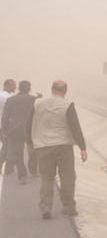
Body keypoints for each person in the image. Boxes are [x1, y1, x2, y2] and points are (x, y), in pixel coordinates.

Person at [26, 80, 87, 219]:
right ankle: (69, 207)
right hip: (63, 146)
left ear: (51, 89)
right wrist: (82, 147)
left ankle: (46, 207)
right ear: (65, 90)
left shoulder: (38, 103)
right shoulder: (68, 105)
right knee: (67, 176)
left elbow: (29, 123)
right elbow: (75, 127)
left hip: (43, 146)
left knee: (47, 177)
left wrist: (29, 142)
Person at [1, 81, 36, 184]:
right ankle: (33, 171)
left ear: (19, 88)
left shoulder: (11, 99)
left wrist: (4, 130)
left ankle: (22, 176)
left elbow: (5, 116)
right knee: (33, 151)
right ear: (29, 88)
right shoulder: (34, 100)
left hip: (15, 130)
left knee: (18, 154)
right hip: (30, 130)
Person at [0, 79, 16, 174]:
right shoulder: (8, 98)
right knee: (8, 146)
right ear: (7, 86)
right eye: (13, 86)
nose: (15, 87)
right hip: (4, 126)